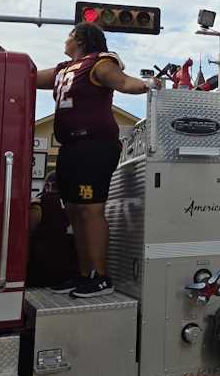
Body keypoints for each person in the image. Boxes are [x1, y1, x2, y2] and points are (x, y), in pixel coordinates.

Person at [35, 22, 159, 297]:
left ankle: (100, 276)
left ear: (79, 39)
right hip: (70, 147)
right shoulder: (63, 69)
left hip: (94, 146)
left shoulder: (99, 62)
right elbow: (29, 76)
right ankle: (84, 273)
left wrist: (147, 84)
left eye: (69, 36)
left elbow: (122, 81)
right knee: (74, 211)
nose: (65, 41)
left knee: (90, 210)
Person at [27, 173, 80, 287]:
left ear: (47, 186)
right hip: (72, 275)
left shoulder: (38, 203)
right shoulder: (77, 205)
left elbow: (29, 231)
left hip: (40, 272)